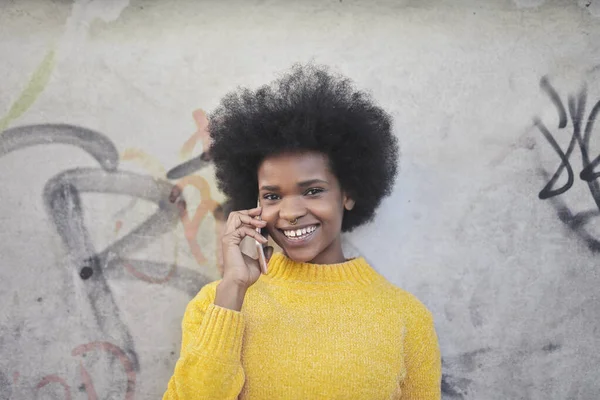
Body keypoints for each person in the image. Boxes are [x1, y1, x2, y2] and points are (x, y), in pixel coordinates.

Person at [163, 64, 441, 399]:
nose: (291, 213)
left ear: (348, 193)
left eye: (312, 191)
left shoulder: (406, 318)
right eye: (272, 196)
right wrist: (232, 289)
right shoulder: (216, 305)